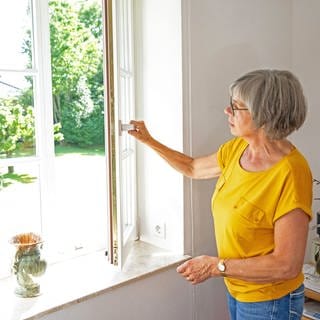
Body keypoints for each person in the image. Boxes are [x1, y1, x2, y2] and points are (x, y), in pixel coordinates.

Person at [128, 69, 313, 320]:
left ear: (264, 114)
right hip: (237, 289)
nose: (227, 111)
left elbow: (286, 265)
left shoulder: (291, 172)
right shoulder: (238, 149)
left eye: (236, 107)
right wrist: (149, 141)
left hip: (270, 300)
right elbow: (192, 167)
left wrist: (216, 266)